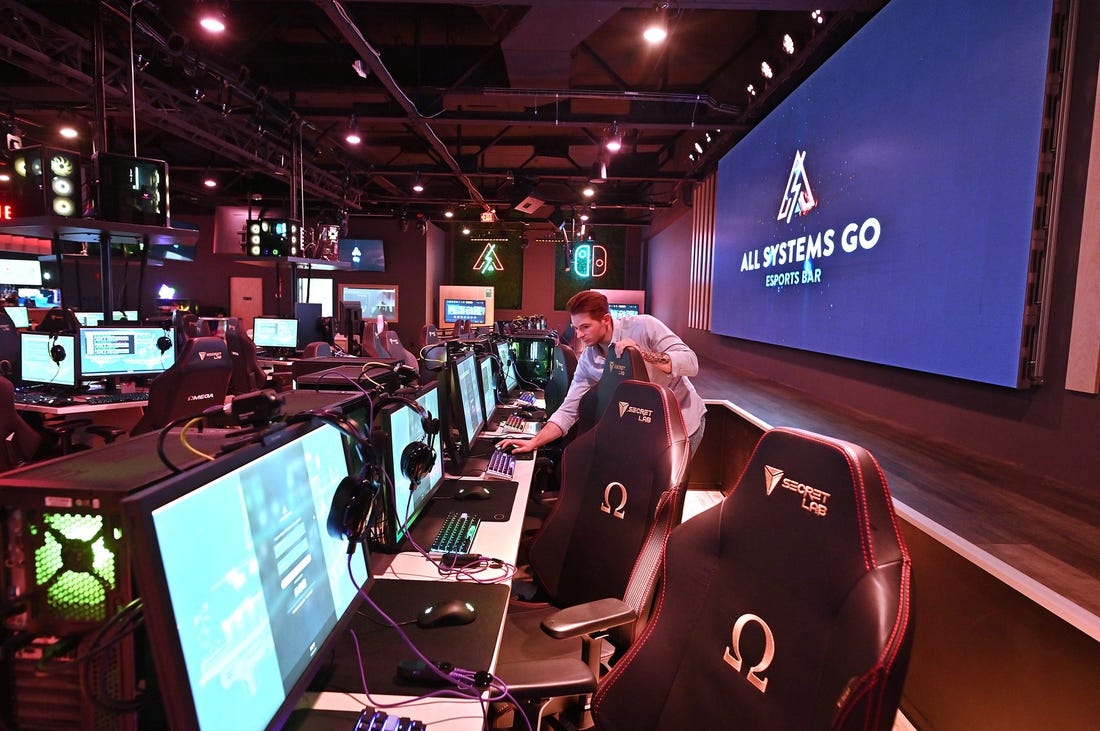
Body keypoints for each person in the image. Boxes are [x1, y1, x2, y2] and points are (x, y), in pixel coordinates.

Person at [499, 290, 706, 457]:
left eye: (585, 327)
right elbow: (569, 410)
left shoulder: (644, 326)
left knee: (666, 498)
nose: (579, 334)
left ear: (606, 319)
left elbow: (691, 362)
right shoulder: (588, 359)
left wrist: (641, 355)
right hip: (644, 429)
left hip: (681, 424)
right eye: (576, 328)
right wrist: (534, 441)